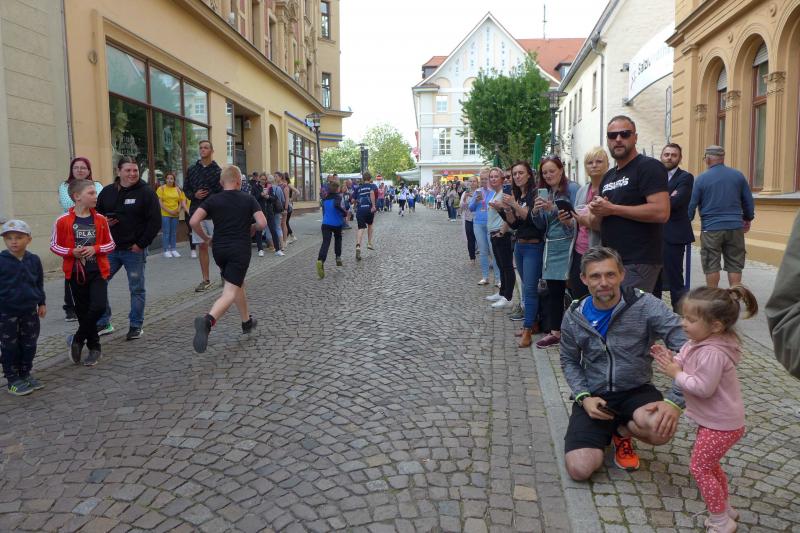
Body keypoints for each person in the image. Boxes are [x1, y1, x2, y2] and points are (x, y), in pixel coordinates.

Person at [560, 247, 686, 479]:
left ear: (622, 275)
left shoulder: (645, 304)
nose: (604, 282)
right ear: (584, 279)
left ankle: (621, 431)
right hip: (595, 395)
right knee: (579, 469)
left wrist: (674, 402)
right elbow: (569, 360)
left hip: (637, 390)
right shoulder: (574, 315)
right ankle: (605, 429)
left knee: (660, 430)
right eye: (595, 276)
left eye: (610, 274)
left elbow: (687, 346)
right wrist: (583, 397)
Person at [651, 285, 757, 533]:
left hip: (722, 425)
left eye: (691, 319)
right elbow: (684, 358)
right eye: (683, 317)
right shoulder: (698, 341)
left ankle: (720, 521)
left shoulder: (712, 352)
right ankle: (726, 509)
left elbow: (702, 388)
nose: (683, 323)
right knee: (710, 466)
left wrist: (676, 374)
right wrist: (670, 360)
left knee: (700, 468)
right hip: (715, 421)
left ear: (716, 326)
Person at [589, 115, 670, 292]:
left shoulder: (649, 167)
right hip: (611, 261)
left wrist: (613, 209)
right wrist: (596, 212)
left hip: (639, 260)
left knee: (627, 309)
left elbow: (661, 212)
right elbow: (597, 224)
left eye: (624, 134)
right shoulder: (608, 176)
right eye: (612, 135)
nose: (618, 139)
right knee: (612, 307)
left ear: (635, 137)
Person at [191, 165, 267, 353]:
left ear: (221, 182)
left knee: (236, 282)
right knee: (230, 292)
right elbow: (262, 222)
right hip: (239, 250)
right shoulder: (248, 199)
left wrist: (206, 238)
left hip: (219, 250)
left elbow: (193, 221)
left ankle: (246, 321)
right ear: (239, 182)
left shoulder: (213, 200)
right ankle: (208, 321)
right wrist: (253, 227)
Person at [52, 180, 116, 367]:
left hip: (98, 271)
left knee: (98, 307)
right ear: (77, 197)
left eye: (95, 193)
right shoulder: (62, 220)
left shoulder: (101, 219)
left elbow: (111, 244)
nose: (96, 196)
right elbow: (54, 245)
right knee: (82, 312)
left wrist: (95, 248)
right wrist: (71, 252)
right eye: (91, 193)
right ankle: (95, 348)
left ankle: (78, 339)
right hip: (75, 273)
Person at [95, 156, 160, 341]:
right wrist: (104, 222)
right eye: (128, 170)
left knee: (136, 288)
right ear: (119, 171)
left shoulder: (146, 192)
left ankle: (135, 325)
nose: (132, 174)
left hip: (134, 250)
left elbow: (155, 222)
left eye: (135, 170)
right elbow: (96, 215)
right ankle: (104, 322)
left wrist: (141, 244)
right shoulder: (107, 192)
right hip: (111, 249)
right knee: (98, 282)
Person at [688, 145, 755, 289]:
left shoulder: (701, 179)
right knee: (735, 264)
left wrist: (688, 220)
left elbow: (691, 204)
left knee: (711, 264)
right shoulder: (738, 175)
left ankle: (713, 297)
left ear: (707, 159)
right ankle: (736, 297)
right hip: (735, 227)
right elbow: (748, 201)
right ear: (722, 158)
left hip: (711, 228)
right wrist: (748, 218)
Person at [498, 162, 546, 347]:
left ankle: (527, 329)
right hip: (520, 245)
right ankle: (533, 323)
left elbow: (532, 218)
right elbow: (515, 224)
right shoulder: (519, 195)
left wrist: (514, 204)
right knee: (527, 287)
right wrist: (506, 209)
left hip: (534, 246)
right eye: (514, 174)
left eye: (520, 173)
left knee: (530, 289)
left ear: (529, 175)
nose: (517, 177)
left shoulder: (535, 194)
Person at [535, 156, 579, 349]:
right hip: (551, 245)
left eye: (552, 171)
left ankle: (577, 331)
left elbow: (579, 217)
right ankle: (555, 332)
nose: (548, 175)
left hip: (569, 244)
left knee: (575, 290)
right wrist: (536, 212)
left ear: (561, 170)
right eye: (545, 172)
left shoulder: (573, 189)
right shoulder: (546, 193)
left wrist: (553, 208)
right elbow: (541, 225)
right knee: (554, 291)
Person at [0, 220, 46, 395]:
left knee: (29, 344)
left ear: (29, 239)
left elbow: (38, 283)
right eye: (9, 238)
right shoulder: (1, 261)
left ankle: (25, 373)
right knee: (10, 346)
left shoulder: (33, 260)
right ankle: (12, 378)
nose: (13, 241)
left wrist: (41, 303)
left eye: (19, 237)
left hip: (29, 311)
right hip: (6, 312)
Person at [58, 157, 104, 322]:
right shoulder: (65, 186)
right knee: (71, 268)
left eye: (83, 167)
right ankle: (70, 307)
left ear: (89, 170)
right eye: (76, 167)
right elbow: (67, 203)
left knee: (94, 268)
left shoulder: (96, 185)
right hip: (71, 231)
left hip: (92, 229)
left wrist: (88, 201)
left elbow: (100, 203)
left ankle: (94, 308)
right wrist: (85, 202)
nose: (79, 170)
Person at [653, 143, 695, 311]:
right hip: (653, 234)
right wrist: (667, 198)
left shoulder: (685, 177)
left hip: (674, 235)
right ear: (661, 156)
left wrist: (654, 203)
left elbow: (677, 201)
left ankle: (680, 313)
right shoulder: (653, 177)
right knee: (654, 276)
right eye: (667, 154)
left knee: (674, 276)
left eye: (674, 155)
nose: (669, 158)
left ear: (680, 158)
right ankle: (654, 311)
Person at [183, 140, 223, 292]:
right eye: (200, 148)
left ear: (212, 151)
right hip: (197, 213)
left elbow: (222, 192)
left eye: (206, 147)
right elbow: (186, 189)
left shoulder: (218, 171)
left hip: (214, 213)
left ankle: (224, 274)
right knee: (202, 246)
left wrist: (210, 196)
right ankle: (206, 279)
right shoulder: (192, 170)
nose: (203, 150)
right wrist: (194, 195)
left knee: (218, 245)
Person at [766, 210, 800, 379]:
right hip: (728, 226)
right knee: (731, 265)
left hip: (716, 225)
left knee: (717, 264)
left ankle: (721, 297)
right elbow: (785, 323)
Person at [571, 148, 608, 300]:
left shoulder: (608, 189)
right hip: (579, 250)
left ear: (607, 164)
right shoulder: (582, 190)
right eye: (589, 162)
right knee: (578, 295)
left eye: (599, 161)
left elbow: (605, 225)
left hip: (599, 251)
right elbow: (577, 222)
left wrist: (582, 219)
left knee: (598, 296)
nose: (594, 165)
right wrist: (569, 219)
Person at [486, 167, 515, 309]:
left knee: (507, 266)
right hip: (494, 232)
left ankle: (508, 297)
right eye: (491, 177)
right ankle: (502, 292)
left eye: (496, 176)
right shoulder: (495, 193)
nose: (493, 179)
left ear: (502, 178)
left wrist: (503, 231)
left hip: (501, 233)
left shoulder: (505, 193)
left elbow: (509, 213)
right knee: (500, 265)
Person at [469, 169, 497, 286]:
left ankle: (498, 279)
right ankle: (485, 277)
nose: (484, 181)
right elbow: (471, 208)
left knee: (494, 251)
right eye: (482, 179)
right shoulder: (478, 192)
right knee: (483, 251)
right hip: (478, 224)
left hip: (491, 224)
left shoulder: (495, 192)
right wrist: (475, 201)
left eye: (486, 179)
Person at [316, 181, 347, 279]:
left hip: (325, 224)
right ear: (337, 189)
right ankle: (338, 257)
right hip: (336, 223)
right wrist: (344, 212)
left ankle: (321, 260)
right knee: (338, 238)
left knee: (326, 243)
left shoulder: (325, 198)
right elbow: (337, 205)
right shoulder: (338, 197)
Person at [156, 172, 187, 258]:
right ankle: (166, 250)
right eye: (168, 178)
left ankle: (173, 249)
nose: (169, 180)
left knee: (173, 233)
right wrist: (170, 211)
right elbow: (160, 203)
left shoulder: (177, 189)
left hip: (175, 214)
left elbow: (181, 200)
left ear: (174, 180)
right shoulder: (161, 188)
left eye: (171, 178)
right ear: (165, 179)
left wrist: (179, 209)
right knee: (166, 232)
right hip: (165, 214)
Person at [354, 172, 378, 261]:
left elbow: (353, 199)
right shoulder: (373, 186)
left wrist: (356, 203)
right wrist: (374, 206)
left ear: (363, 179)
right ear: (370, 178)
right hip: (369, 209)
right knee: (370, 224)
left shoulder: (358, 188)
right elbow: (373, 193)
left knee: (361, 228)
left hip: (360, 210)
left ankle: (358, 246)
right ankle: (369, 243)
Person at [460, 177, 478, 264]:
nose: (472, 183)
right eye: (471, 181)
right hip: (468, 218)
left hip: (478, 219)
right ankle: (472, 258)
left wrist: (476, 199)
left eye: (474, 181)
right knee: (470, 239)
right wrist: (465, 198)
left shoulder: (480, 192)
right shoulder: (465, 193)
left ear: (477, 182)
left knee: (480, 239)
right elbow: (461, 207)